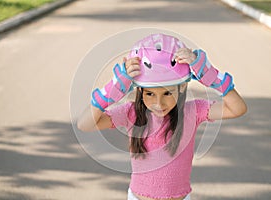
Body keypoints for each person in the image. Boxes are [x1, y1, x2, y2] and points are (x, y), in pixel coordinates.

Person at [77, 33, 247, 200]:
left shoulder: (192, 111)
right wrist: (109, 92)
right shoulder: (131, 113)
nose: (159, 103)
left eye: (167, 93)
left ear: (181, 87)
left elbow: (237, 108)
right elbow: (85, 124)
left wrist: (211, 77)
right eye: (150, 93)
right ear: (139, 90)